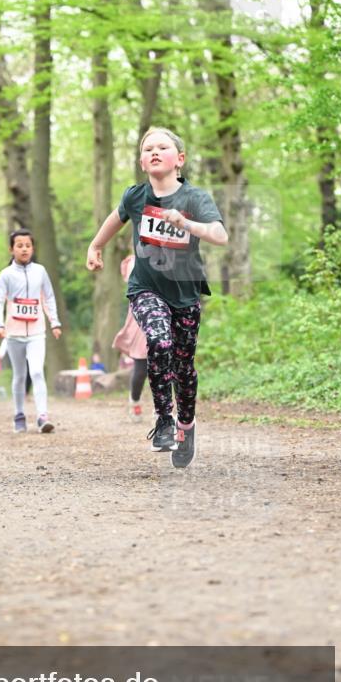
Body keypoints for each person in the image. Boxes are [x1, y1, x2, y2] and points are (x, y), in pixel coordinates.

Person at [86, 126, 228, 468]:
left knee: (184, 367)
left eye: (162, 147)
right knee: (160, 342)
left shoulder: (195, 198)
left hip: (185, 292)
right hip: (145, 288)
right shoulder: (135, 197)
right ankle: (164, 418)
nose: (153, 152)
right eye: (147, 148)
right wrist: (95, 245)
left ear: (179, 159)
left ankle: (185, 424)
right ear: (141, 161)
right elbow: (113, 220)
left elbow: (220, 236)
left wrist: (187, 224)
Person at [0, 230, 62, 434]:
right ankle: (19, 414)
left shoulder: (40, 271)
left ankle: (42, 416)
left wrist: (55, 323)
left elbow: (48, 298)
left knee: (37, 371)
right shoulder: (6, 275)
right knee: (20, 375)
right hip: (13, 334)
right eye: (19, 245)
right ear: (11, 249)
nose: (24, 249)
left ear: (33, 248)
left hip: (37, 332)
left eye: (27, 246)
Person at [112, 254, 148, 422]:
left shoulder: (170, 254)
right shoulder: (132, 261)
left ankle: (163, 410)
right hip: (140, 320)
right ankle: (134, 401)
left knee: (163, 365)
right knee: (141, 368)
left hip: (166, 315)